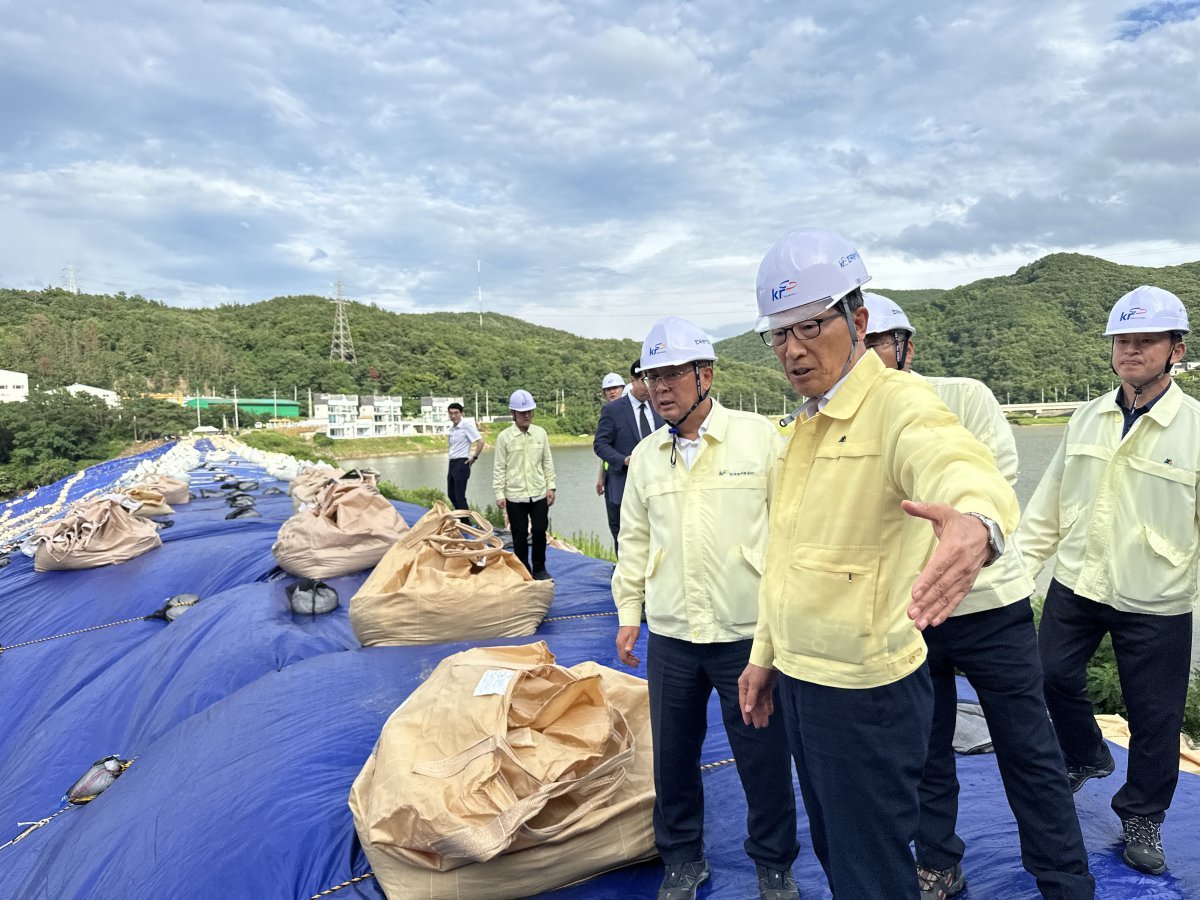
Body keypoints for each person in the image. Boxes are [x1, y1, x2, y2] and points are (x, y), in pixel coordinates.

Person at [738, 229, 1019, 900]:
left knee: (871, 869)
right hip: (802, 679)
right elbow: (786, 561)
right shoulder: (802, 428)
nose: (793, 349)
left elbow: (954, 460)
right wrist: (766, 654)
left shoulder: (898, 403)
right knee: (837, 852)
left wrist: (977, 521)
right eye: (779, 334)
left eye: (810, 326)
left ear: (858, 321)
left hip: (866, 692)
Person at [862, 292, 1094, 899]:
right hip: (913, 611)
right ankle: (938, 862)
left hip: (989, 603)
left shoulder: (963, 395)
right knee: (924, 749)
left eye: (878, 342)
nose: (868, 356)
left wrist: (964, 519)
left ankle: (1065, 879)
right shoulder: (849, 425)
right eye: (859, 345)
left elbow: (996, 476)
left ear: (906, 347)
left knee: (1030, 748)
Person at [613, 317, 799, 900]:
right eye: (653, 376)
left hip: (746, 635)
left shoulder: (759, 439)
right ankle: (682, 858)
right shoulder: (646, 456)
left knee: (762, 753)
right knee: (672, 756)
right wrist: (629, 613)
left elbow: (789, 533)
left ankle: (774, 862)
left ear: (706, 375)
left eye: (674, 373)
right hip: (672, 634)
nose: (662, 387)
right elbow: (634, 542)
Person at [1018, 285, 1198, 877]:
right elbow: (1048, 505)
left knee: (1155, 718)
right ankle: (1087, 753)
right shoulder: (1088, 417)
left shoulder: (1194, 428)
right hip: (1078, 579)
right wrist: (1015, 575)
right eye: (1123, 340)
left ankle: (1141, 816)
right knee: (1048, 674)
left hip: (1157, 596)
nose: (1131, 350)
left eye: (1146, 340)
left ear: (1175, 350)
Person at [593, 361, 663, 555]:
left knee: (657, 533)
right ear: (633, 380)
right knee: (625, 536)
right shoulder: (613, 410)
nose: (651, 387)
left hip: (656, 483)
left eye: (655, 380)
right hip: (623, 483)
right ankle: (625, 571)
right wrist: (623, 460)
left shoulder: (659, 406)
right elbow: (600, 445)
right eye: (647, 381)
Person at [492, 389, 556, 580]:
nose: (526, 415)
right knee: (519, 535)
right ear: (513, 414)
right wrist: (499, 493)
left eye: (529, 411)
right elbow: (499, 467)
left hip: (538, 492)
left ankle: (539, 568)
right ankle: (523, 570)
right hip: (514, 494)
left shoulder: (540, 434)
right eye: (522, 413)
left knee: (539, 531)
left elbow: (547, 462)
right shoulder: (504, 437)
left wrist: (551, 486)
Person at [594, 372, 628, 505]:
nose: (612, 392)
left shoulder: (630, 411)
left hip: (627, 470)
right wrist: (601, 477)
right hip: (611, 473)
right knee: (614, 512)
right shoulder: (607, 412)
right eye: (608, 389)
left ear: (623, 389)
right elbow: (604, 447)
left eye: (615, 388)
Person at [446, 402, 483, 510]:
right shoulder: (452, 429)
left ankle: (465, 520)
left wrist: (474, 457)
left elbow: (481, 441)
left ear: (461, 413)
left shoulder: (466, 426)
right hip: (452, 462)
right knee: (451, 495)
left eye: (456, 413)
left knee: (459, 496)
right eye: (451, 413)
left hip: (461, 462)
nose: (453, 416)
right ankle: (462, 517)